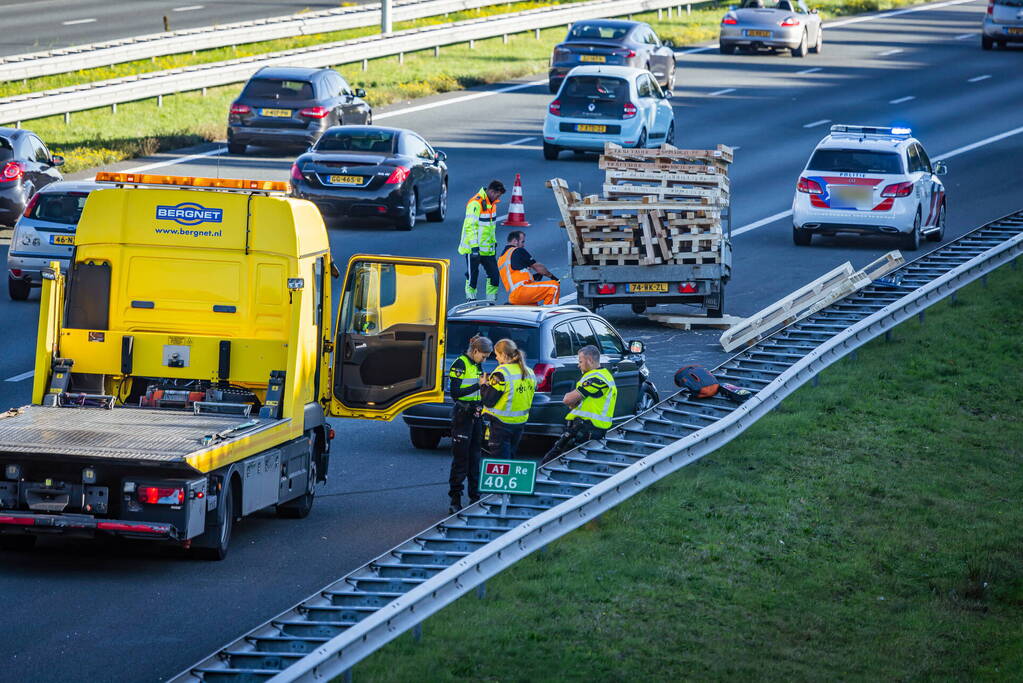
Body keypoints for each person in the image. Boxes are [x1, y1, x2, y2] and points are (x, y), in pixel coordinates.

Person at [543, 345, 617, 463]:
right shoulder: (599, 376)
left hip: (587, 429)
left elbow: (568, 400)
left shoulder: (596, 378)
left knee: (553, 461)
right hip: (585, 429)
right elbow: (573, 404)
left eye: (580, 361)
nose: (579, 365)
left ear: (590, 360)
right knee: (560, 461)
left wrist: (571, 399)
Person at [447, 335, 493, 513]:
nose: (485, 359)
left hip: (475, 414)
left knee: (475, 457)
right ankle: (455, 498)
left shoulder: (476, 364)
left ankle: (475, 497)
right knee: (461, 459)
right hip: (462, 415)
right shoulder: (460, 364)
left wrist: (481, 404)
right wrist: (478, 385)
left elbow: (479, 390)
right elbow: (456, 393)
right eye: (484, 356)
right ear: (475, 351)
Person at [481, 338, 536, 461]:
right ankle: (509, 479)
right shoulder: (530, 372)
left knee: (501, 462)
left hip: (501, 423)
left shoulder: (501, 373)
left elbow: (489, 400)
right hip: (520, 423)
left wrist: (484, 385)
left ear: (504, 354)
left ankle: (502, 480)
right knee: (510, 458)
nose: (496, 358)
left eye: (497, 355)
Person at [458, 180, 506, 301]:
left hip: (487, 250)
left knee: (494, 276)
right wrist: (474, 248)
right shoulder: (475, 203)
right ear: (491, 191)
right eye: (498, 195)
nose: (498, 198)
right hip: (473, 249)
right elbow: (470, 226)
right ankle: (471, 301)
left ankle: (491, 302)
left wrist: (493, 243)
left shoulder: (492, 204)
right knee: (472, 277)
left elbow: (490, 227)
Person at [497, 230, 561, 306]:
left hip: (514, 295)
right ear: (515, 241)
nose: (523, 245)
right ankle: (550, 315)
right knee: (553, 286)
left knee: (533, 311)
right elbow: (538, 267)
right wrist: (553, 277)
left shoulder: (501, 258)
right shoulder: (517, 250)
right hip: (521, 290)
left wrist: (533, 277)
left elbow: (514, 276)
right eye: (522, 242)